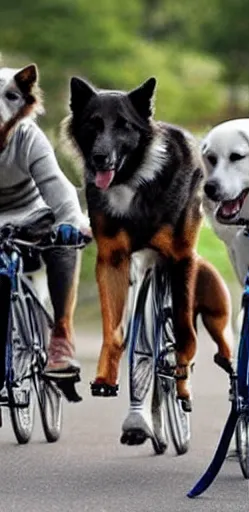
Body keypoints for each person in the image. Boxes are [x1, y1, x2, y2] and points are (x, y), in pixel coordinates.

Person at [0, 63, 87, 395]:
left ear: (23, 104)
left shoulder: (27, 137)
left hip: (33, 212)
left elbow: (57, 186)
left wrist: (69, 221)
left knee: (63, 241)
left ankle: (61, 334)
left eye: (10, 98)